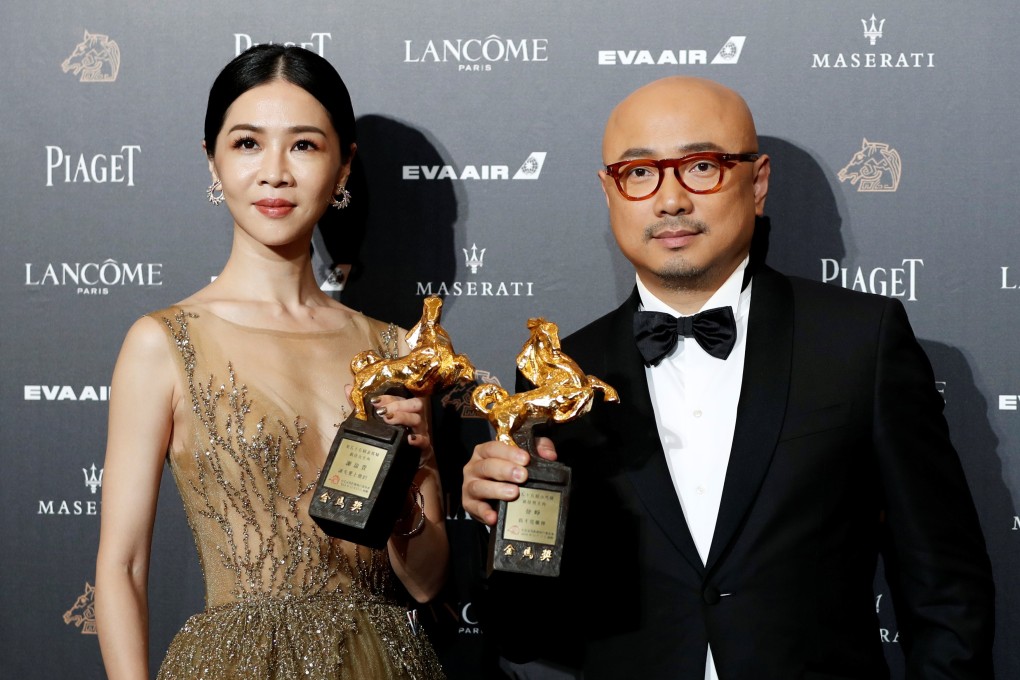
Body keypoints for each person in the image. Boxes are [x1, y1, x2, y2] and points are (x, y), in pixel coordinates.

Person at [462, 76, 994, 679]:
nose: (670, 201)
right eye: (639, 173)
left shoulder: (858, 341)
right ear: (608, 192)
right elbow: (525, 634)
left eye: (701, 166)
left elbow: (944, 588)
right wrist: (500, 533)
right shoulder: (558, 370)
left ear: (758, 182)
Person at [95, 45, 447, 680]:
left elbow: (425, 583)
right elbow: (123, 567)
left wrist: (407, 498)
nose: (275, 172)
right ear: (213, 160)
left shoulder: (398, 350)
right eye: (248, 143)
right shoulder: (164, 342)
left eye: (305, 146)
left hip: (386, 664)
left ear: (343, 169)